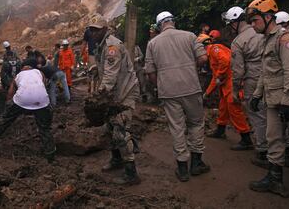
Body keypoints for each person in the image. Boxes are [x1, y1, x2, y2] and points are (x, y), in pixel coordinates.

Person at [221, 6, 289, 168]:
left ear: (235, 22)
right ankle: (286, 152)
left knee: (258, 117)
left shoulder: (239, 41)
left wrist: (234, 91)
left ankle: (263, 151)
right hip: (273, 77)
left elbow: (238, 70)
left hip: (254, 79)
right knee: (278, 117)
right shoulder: (266, 34)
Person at [145, 11, 210, 182]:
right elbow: (203, 58)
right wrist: (190, 68)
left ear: (159, 26)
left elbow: (150, 72)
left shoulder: (153, 43)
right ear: (173, 21)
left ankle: (182, 168)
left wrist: (160, 84)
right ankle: (196, 163)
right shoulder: (189, 36)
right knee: (196, 123)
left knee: (177, 127)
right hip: (191, 87)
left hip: (168, 91)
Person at [246, 0, 289, 197]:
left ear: (268, 17)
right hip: (272, 101)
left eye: (255, 20)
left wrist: (287, 102)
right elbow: (265, 72)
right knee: (274, 140)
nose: (252, 25)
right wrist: (256, 95)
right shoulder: (266, 40)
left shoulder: (285, 39)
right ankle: (275, 179)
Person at [89, 14, 141, 185]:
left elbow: (111, 76)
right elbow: (107, 68)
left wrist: (98, 97)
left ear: (104, 29)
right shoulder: (102, 45)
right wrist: (96, 68)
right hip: (114, 93)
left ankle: (131, 173)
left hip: (124, 93)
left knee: (120, 130)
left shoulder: (112, 47)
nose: (93, 33)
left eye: (96, 30)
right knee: (110, 127)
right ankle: (117, 159)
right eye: (91, 30)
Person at [0, 60, 56, 163]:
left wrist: (8, 107)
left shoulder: (19, 75)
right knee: (44, 128)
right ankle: (50, 155)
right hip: (41, 101)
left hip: (21, 100)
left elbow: (10, 92)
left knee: (5, 120)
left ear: (23, 68)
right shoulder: (39, 72)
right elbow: (44, 86)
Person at [198, 35, 253, 150]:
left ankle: (246, 138)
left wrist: (219, 75)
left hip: (232, 83)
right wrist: (207, 93)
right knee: (223, 108)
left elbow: (225, 61)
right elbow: (215, 77)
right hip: (226, 84)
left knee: (234, 110)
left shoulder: (214, 49)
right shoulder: (214, 51)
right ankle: (220, 130)